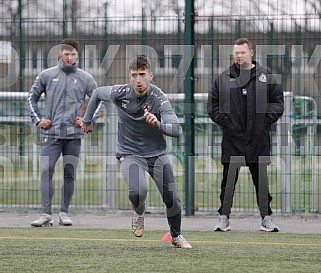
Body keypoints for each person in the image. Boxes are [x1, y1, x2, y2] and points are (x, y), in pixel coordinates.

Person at [81, 55, 192, 249]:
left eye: (142, 74)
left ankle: (176, 235)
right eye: (134, 75)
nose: (138, 80)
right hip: (129, 153)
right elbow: (97, 93)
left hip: (156, 154)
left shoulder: (159, 98)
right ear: (129, 76)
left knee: (172, 198)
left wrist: (157, 123)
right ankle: (139, 213)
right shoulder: (120, 92)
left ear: (151, 75)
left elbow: (177, 130)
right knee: (139, 190)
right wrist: (87, 120)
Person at [207, 38, 284, 232]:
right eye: (236, 53)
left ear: (251, 53)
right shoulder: (223, 78)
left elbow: (277, 102)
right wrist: (226, 122)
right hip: (232, 140)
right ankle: (223, 218)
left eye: (242, 52)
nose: (238, 56)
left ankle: (266, 218)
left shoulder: (266, 76)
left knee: (262, 181)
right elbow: (212, 106)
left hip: (258, 140)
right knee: (228, 182)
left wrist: (264, 122)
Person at [27, 38, 103, 227]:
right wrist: (38, 120)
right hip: (51, 134)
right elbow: (31, 99)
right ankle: (45, 214)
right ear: (60, 53)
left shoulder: (86, 78)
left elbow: (99, 100)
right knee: (46, 170)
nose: (70, 57)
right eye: (66, 54)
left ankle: (64, 213)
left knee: (70, 173)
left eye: (73, 54)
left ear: (78, 55)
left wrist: (87, 120)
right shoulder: (46, 75)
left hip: (74, 135)